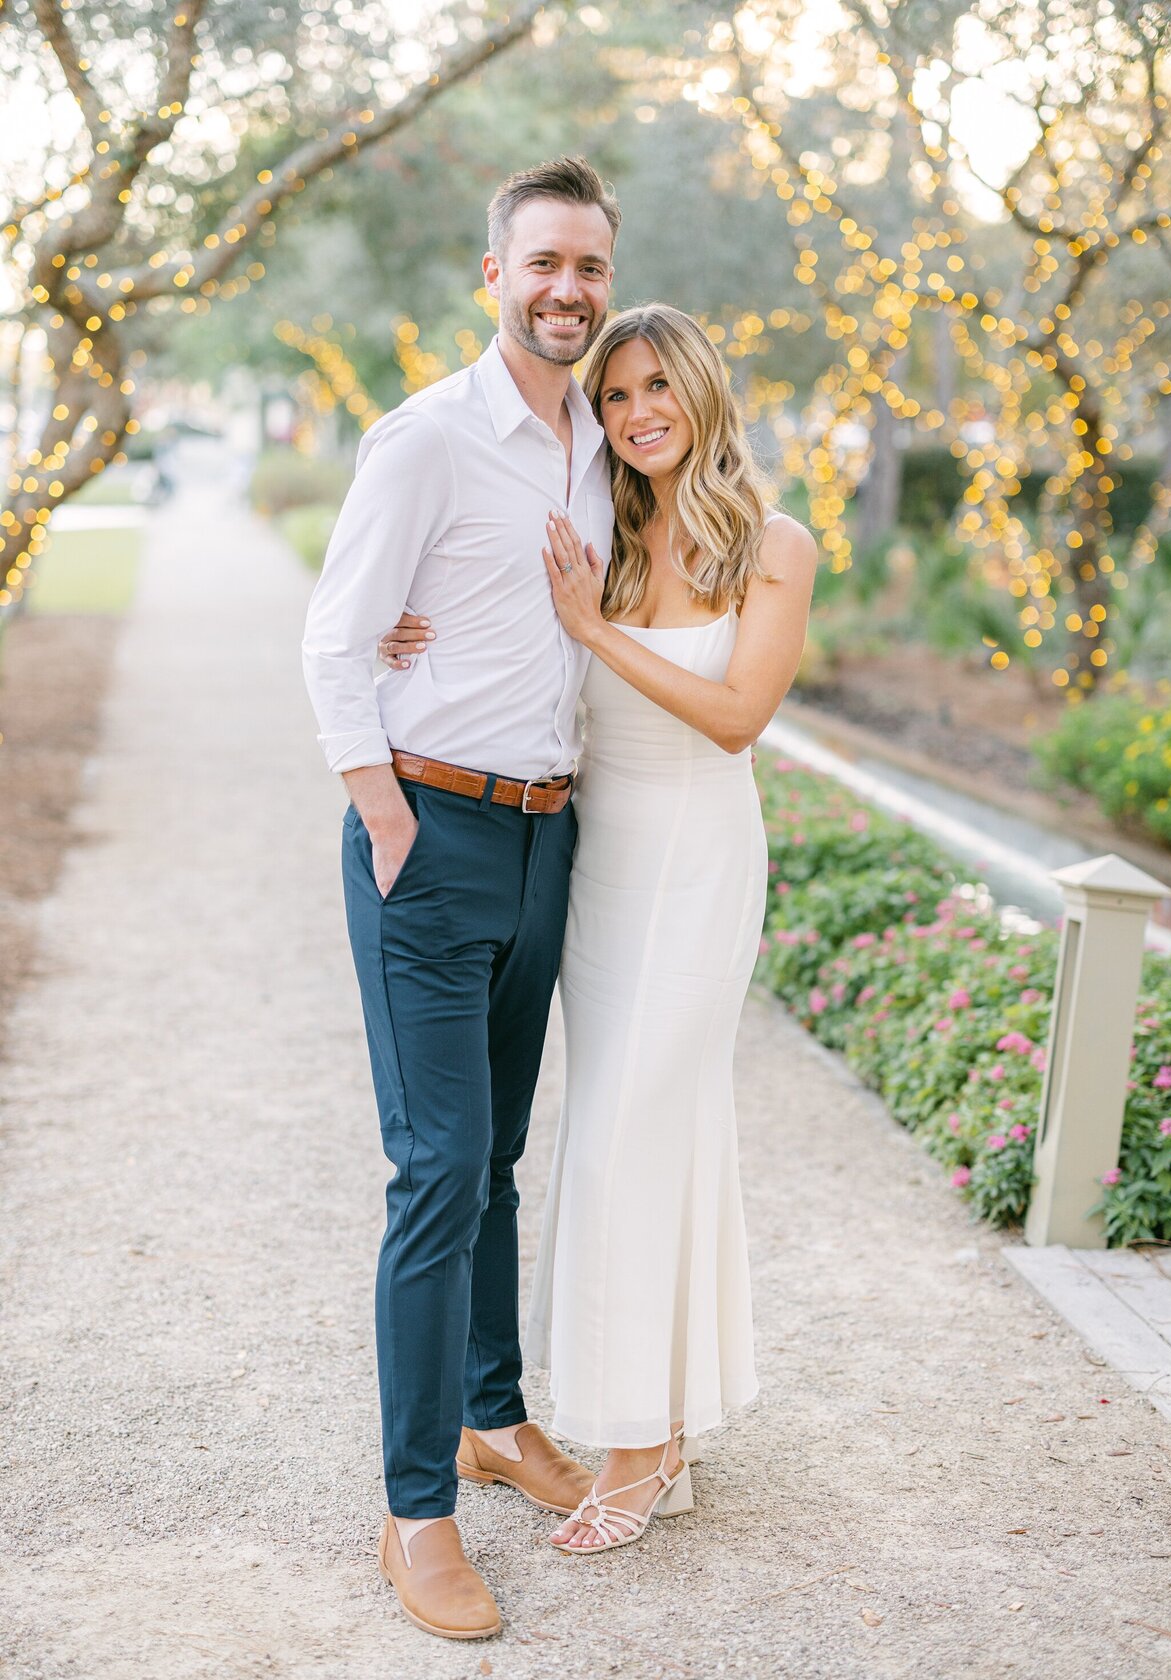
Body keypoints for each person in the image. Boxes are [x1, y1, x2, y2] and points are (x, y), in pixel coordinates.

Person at [381, 303, 816, 1555]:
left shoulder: (772, 544)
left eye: (656, 387)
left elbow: (738, 716)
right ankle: (659, 1428)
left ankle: (640, 1449)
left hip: (698, 857)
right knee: (633, 1136)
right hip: (596, 861)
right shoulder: (604, 534)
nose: (636, 414)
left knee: (630, 1130)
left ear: (702, 388)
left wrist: (594, 631)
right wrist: (401, 637)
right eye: (616, 395)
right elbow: (483, 617)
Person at [301, 157, 622, 1642]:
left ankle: (496, 1418)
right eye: (544, 262)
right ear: (492, 273)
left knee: (496, 1156)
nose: (568, 290)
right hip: (427, 835)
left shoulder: (604, 449)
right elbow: (335, 642)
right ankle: (414, 1509)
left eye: (591, 269)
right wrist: (384, 815)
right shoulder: (427, 439)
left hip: (548, 840)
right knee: (436, 1172)